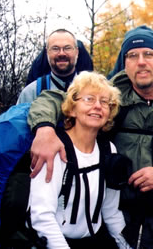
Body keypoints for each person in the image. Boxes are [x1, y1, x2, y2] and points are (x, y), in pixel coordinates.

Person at [26, 25, 153, 248]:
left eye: (149, 54)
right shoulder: (111, 98)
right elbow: (55, 98)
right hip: (121, 224)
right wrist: (44, 128)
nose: (141, 61)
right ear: (125, 64)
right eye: (132, 56)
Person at [28, 71, 129, 248]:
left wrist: (127, 246)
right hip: (54, 242)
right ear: (72, 108)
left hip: (93, 241)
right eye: (89, 99)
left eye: (104, 102)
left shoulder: (108, 150)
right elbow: (41, 216)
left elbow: (111, 211)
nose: (97, 106)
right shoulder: (55, 148)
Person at [17, 29, 81, 104]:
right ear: (47, 52)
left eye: (67, 48)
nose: (61, 53)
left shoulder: (92, 90)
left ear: (77, 52)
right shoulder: (30, 93)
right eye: (55, 49)